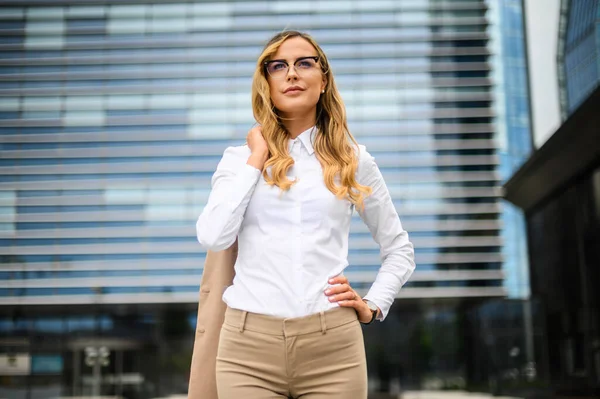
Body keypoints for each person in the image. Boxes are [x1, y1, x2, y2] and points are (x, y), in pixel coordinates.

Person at [195, 30, 415, 399]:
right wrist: (256, 159)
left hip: (333, 349)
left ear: (324, 79)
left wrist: (373, 304)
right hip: (246, 349)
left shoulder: (353, 160)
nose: (292, 73)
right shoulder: (238, 160)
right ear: (266, 82)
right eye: (278, 66)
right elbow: (214, 236)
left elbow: (400, 250)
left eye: (304, 63)